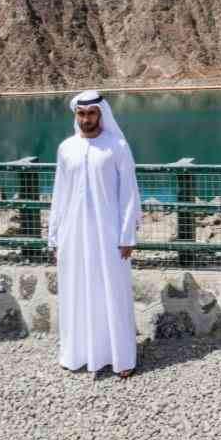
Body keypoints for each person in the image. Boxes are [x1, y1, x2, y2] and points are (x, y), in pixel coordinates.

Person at [47, 90, 142, 377]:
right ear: (76, 115)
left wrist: (127, 235)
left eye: (91, 113)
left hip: (109, 236)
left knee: (112, 293)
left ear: (101, 115)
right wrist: (54, 236)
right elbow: (59, 194)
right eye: (81, 113)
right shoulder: (66, 148)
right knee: (76, 292)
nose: (86, 119)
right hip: (73, 236)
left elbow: (129, 193)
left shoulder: (117, 146)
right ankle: (77, 355)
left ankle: (121, 359)